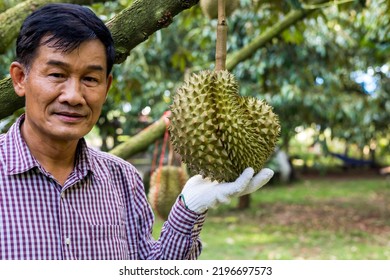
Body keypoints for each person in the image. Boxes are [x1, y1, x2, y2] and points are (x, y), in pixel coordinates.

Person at [0, 3, 274, 260]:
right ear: (20, 78)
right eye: (57, 75)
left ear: (106, 88)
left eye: (90, 79)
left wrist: (189, 208)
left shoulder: (122, 179)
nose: (73, 96)